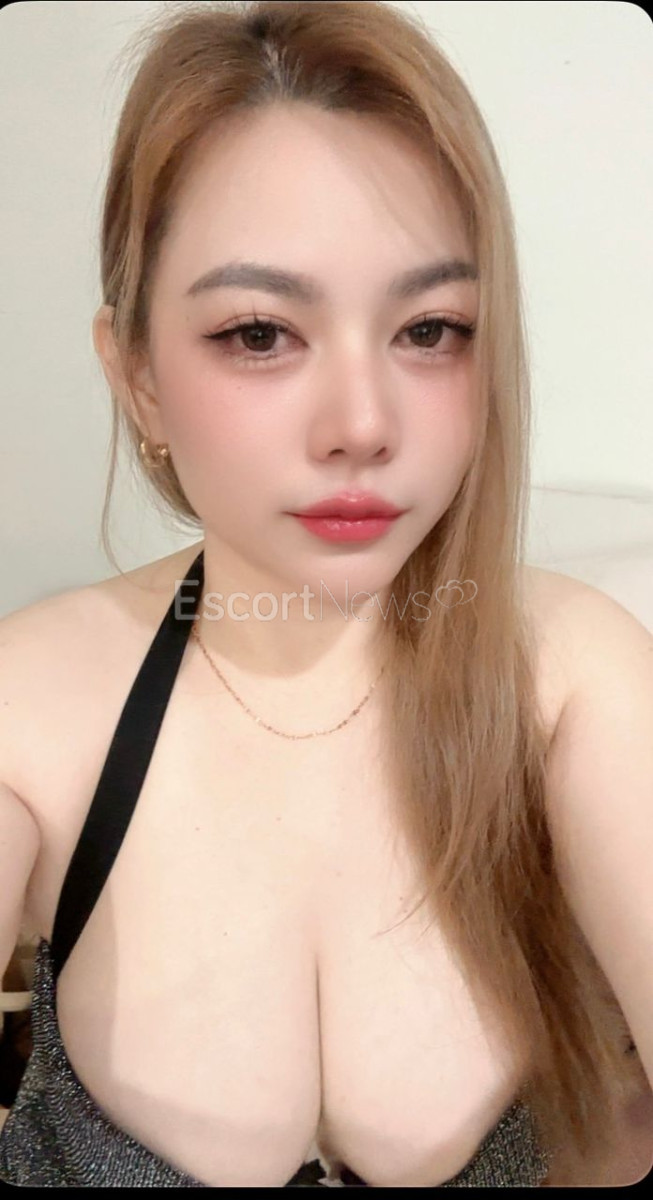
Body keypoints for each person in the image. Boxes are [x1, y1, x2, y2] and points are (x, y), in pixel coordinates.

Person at [1, 0, 652, 1188]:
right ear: (136, 374)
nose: (361, 424)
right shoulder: (33, 709)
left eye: (430, 328)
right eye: (259, 333)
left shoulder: (571, 680)